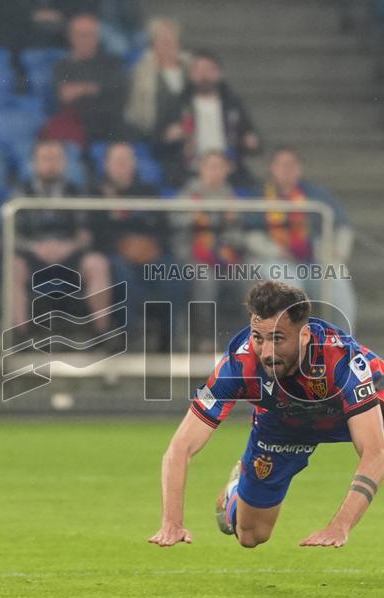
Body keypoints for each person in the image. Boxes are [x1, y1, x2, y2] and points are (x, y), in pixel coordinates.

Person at [148, 280, 384, 548]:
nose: (266, 351)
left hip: (362, 405)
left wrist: (341, 525)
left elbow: (374, 455)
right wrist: (172, 520)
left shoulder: (343, 363)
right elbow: (181, 446)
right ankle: (237, 490)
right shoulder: (241, 363)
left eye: (278, 339)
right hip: (283, 424)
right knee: (251, 537)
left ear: (304, 335)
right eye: (259, 337)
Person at [10, 139, 114, 337]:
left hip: (70, 254)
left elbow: (86, 233)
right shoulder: (21, 193)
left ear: (65, 162)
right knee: (13, 267)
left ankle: (102, 334)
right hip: (33, 255)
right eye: (45, 159)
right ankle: (20, 335)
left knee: (97, 264)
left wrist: (70, 246)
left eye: (55, 159)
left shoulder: (77, 192)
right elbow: (12, 233)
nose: (50, 164)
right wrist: (34, 247)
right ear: (34, 163)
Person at [249, 147, 357, 329]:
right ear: (272, 168)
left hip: (315, 261)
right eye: (282, 165)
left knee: (338, 282)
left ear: (300, 168)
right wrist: (272, 249)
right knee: (289, 287)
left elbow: (342, 227)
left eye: (292, 165)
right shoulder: (259, 195)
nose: (287, 169)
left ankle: (344, 344)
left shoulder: (316, 194)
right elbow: (248, 233)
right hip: (275, 259)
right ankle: (294, 346)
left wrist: (338, 252)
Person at [92, 142, 186, 350]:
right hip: (115, 254)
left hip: (150, 253)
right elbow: (94, 232)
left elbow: (162, 228)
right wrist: (122, 245)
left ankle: (168, 339)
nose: (122, 165)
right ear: (106, 164)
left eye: (127, 160)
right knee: (121, 273)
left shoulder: (148, 191)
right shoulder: (95, 192)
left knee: (173, 271)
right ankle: (130, 335)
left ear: (134, 163)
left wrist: (152, 246)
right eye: (117, 161)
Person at [158, 50, 261, 187]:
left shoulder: (233, 104)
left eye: (208, 69)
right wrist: (169, 136)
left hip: (229, 174)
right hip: (189, 173)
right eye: (198, 70)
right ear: (191, 74)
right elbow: (158, 140)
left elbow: (252, 138)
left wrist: (251, 141)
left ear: (218, 73)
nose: (203, 75)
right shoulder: (178, 105)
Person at [50, 13, 129, 143]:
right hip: (79, 127)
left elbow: (120, 90)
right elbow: (64, 96)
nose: (85, 39)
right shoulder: (62, 67)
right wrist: (96, 88)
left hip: (112, 126)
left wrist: (82, 89)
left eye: (90, 34)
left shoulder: (113, 62)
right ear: (71, 37)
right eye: (80, 34)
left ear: (97, 37)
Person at [124, 17, 190, 139]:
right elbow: (137, 113)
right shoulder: (140, 72)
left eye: (171, 36)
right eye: (162, 38)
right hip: (154, 136)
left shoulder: (190, 68)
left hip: (189, 134)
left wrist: (185, 129)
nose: (167, 41)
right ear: (153, 43)